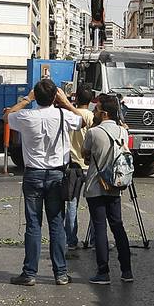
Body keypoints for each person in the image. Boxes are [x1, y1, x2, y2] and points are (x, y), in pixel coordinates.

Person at [5, 79, 87, 286]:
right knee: (56, 223)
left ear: (36, 97)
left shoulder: (26, 116)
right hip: (57, 175)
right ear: (54, 97)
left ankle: (29, 273)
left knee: (33, 224)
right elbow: (83, 121)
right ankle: (60, 273)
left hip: (33, 174)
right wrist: (66, 102)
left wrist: (27, 99)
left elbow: (7, 116)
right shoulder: (63, 115)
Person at [84, 93, 134, 284]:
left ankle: (103, 272)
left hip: (96, 186)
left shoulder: (94, 132)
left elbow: (85, 153)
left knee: (100, 227)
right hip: (116, 184)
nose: (93, 112)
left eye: (96, 109)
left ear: (104, 113)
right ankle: (126, 270)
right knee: (118, 225)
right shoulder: (123, 132)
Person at [64, 86, 97, 251]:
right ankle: (94, 239)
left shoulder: (69, 116)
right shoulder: (92, 117)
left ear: (76, 98)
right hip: (90, 166)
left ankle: (71, 240)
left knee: (72, 204)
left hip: (72, 165)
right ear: (91, 100)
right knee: (94, 205)